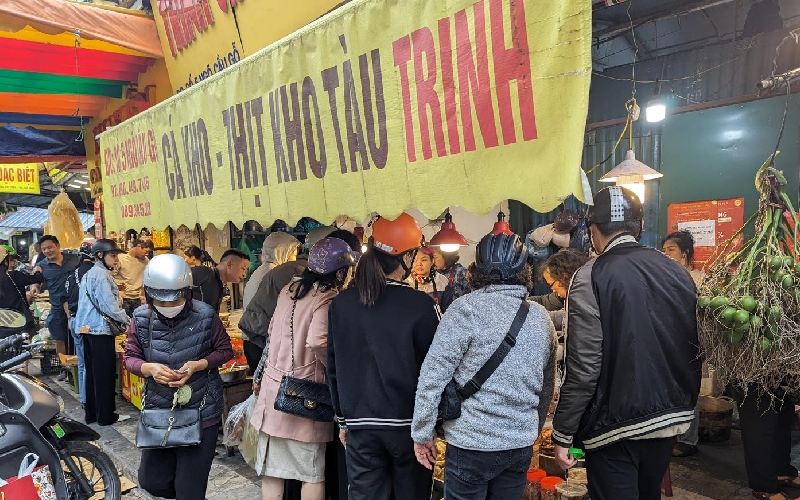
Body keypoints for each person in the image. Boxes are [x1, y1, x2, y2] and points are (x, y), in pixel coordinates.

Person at [552, 186, 701, 500]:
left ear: (593, 231)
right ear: (640, 227)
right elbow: (695, 343)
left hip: (615, 426)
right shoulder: (677, 271)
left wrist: (563, 431)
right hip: (671, 417)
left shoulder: (591, 275)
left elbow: (584, 365)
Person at [412, 231, 557, 499]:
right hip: (518, 446)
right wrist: (529, 431)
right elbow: (548, 385)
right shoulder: (540, 317)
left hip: (470, 444)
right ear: (524, 270)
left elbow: (432, 378)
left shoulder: (462, 310)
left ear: (476, 270)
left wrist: (422, 434)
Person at [327, 213, 438, 500]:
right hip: (408, 429)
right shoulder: (420, 305)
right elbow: (434, 371)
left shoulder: (341, 304)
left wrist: (342, 420)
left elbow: (334, 367)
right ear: (407, 256)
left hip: (360, 426)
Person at [250, 237, 360, 500]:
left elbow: (270, 333)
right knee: (310, 473)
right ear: (341, 272)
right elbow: (317, 340)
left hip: (272, 393)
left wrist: (259, 374)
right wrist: (338, 369)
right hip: (305, 396)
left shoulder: (290, 289)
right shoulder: (327, 297)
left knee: (273, 472)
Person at [123, 253, 233, 500]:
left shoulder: (205, 315)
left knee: (190, 490)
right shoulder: (140, 318)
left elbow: (225, 350)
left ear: (187, 292)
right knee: (151, 481)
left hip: (201, 412)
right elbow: (129, 357)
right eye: (162, 301)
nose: (170, 306)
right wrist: (148, 368)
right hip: (159, 412)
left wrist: (198, 365)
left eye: (176, 299)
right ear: (149, 295)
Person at [239, 226, 335, 371]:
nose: (293, 257)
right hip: (263, 339)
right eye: (292, 253)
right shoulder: (292, 273)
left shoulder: (267, 270)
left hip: (257, 337)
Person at [74, 239, 130, 426]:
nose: (116, 260)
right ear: (100, 255)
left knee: (92, 373)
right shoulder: (102, 275)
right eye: (113, 256)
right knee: (104, 374)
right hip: (99, 331)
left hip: (86, 329)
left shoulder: (90, 274)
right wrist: (128, 321)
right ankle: (106, 416)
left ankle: (92, 415)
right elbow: (110, 306)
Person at [661, 230, 705, 459]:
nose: (666, 254)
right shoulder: (665, 278)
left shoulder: (698, 278)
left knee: (689, 388)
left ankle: (689, 439)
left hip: (691, 341)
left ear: (685, 253)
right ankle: (673, 435)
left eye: (671, 250)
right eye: (664, 250)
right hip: (669, 340)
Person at [38, 235, 81, 377]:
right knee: (59, 337)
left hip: (77, 305)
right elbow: (35, 281)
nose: (47, 251)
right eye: (44, 249)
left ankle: (80, 365)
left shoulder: (74, 259)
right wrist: (34, 287)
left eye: (49, 247)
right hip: (57, 307)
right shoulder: (42, 266)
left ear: (58, 245)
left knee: (78, 336)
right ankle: (65, 368)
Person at [65, 241, 96, 407]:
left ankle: (85, 400)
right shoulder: (96, 274)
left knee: (83, 363)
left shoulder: (72, 275)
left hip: (75, 320)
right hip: (89, 323)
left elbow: (66, 299)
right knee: (94, 363)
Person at [242, 232, 300, 311]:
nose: (295, 260)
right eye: (294, 255)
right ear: (283, 253)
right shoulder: (277, 274)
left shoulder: (262, 270)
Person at [0, 246, 43, 335]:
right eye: (10, 260)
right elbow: (36, 278)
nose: (13, 263)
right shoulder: (13, 275)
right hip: (18, 321)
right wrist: (38, 271)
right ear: (5, 261)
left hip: (2, 323)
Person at [114, 239, 154, 317]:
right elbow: (110, 276)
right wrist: (117, 288)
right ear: (138, 246)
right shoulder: (120, 259)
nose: (146, 254)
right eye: (145, 251)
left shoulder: (146, 261)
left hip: (138, 299)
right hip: (123, 298)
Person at [432, 247, 471, 311]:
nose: (433, 261)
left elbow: (471, 296)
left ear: (445, 257)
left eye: (435, 257)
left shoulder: (461, 272)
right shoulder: (435, 274)